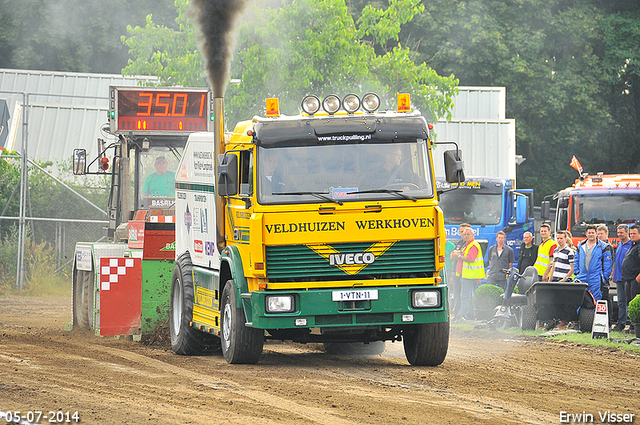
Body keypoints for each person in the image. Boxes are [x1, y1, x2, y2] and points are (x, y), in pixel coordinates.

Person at [451, 226, 485, 321]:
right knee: (469, 297)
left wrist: (458, 256)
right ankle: (470, 317)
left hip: (469, 275)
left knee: (465, 297)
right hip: (465, 274)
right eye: (464, 234)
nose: (466, 236)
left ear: (473, 235)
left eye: (468, 234)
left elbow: (470, 258)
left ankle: (461, 316)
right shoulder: (467, 245)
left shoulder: (473, 245)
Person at [574, 224, 613, 302]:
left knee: (596, 299)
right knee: (578, 299)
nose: (591, 234)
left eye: (593, 233)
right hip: (582, 276)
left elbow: (607, 264)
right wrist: (577, 272)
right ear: (586, 234)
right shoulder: (580, 245)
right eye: (589, 233)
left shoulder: (603, 247)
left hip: (595, 277)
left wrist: (604, 277)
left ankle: (594, 314)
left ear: (596, 234)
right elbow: (576, 259)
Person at [449, 223, 472, 318]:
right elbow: (452, 257)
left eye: (464, 232)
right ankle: (457, 313)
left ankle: (466, 315)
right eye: (461, 232)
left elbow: (466, 257)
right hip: (457, 273)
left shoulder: (470, 244)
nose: (463, 234)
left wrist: (458, 255)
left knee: (466, 296)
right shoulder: (459, 243)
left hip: (466, 273)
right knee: (457, 294)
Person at [612, 224, 632, 332]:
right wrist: (614, 273)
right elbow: (616, 260)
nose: (619, 234)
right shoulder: (619, 244)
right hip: (619, 277)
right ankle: (621, 323)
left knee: (629, 301)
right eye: (618, 232)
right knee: (621, 302)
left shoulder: (631, 245)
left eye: (621, 232)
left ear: (627, 232)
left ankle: (632, 324)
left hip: (628, 278)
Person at [620, 224, 640, 333]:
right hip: (628, 279)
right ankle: (632, 325)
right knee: (629, 302)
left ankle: (635, 326)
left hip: (635, 279)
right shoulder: (633, 245)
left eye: (634, 234)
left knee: (634, 302)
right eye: (631, 233)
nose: (632, 235)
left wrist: (638, 278)